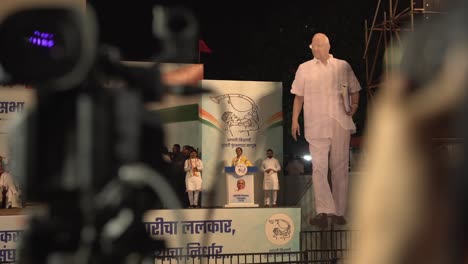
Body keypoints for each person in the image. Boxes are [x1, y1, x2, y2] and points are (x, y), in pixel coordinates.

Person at [290, 33, 361, 228]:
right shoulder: (304, 69)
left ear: (328, 46)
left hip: (340, 122)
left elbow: (355, 90)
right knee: (319, 168)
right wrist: (294, 120)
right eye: (313, 45)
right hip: (315, 123)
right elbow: (298, 97)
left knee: (339, 168)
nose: (316, 48)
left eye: (320, 45)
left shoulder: (342, 66)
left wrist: (353, 108)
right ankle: (324, 210)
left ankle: (339, 211)